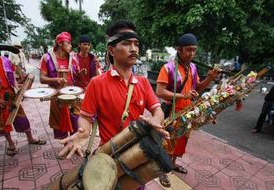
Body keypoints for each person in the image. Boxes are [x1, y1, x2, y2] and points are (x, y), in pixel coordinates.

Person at [58, 20, 169, 189]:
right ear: (111, 50)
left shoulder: (143, 83)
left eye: (136, 44)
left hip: (139, 156)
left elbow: (157, 109)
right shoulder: (97, 83)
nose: (134, 49)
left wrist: (157, 119)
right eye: (126, 43)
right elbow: (85, 117)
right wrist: (83, 132)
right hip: (109, 156)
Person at [156, 33, 220, 187]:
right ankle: (162, 170)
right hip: (172, 112)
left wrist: (210, 78)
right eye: (188, 50)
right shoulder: (168, 68)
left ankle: (172, 164)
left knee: (180, 141)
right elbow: (160, 91)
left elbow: (197, 88)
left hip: (187, 111)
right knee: (168, 142)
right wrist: (183, 95)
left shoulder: (193, 67)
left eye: (194, 50)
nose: (191, 53)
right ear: (179, 50)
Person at [0, 29, 46, 157]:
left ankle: (31, 138)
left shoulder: (5, 60)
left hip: (12, 96)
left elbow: (16, 75)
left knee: (22, 118)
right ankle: (11, 144)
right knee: (2, 124)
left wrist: (22, 78)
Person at [39, 32, 76, 139]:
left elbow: (76, 75)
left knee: (75, 121)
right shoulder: (47, 58)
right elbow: (42, 79)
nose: (71, 45)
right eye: (68, 43)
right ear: (60, 44)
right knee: (60, 123)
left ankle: (74, 145)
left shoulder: (73, 57)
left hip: (72, 95)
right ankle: (65, 146)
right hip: (56, 96)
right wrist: (56, 79)